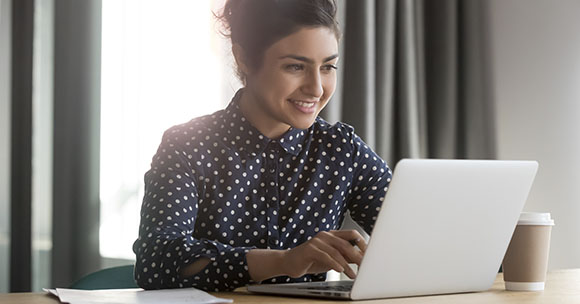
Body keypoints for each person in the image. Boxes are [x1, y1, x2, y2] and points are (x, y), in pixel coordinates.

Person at [133, 0, 392, 292]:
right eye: (296, 66)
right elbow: (156, 263)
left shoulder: (342, 151)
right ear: (243, 58)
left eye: (328, 67)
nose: (317, 88)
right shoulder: (188, 145)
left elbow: (418, 236)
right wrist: (284, 262)